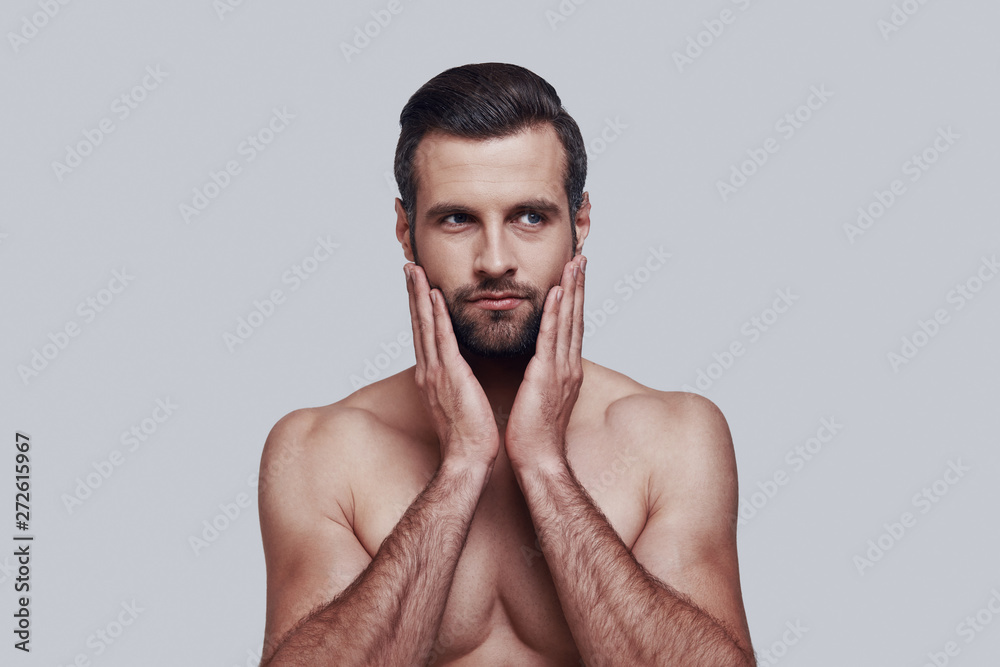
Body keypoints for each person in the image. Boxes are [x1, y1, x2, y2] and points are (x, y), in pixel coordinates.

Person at [257, 62, 755, 666]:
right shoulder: (320, 449)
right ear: (405, 231)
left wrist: (544, 465)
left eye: (529, 217)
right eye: (457, 218)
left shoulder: (673, 438)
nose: (495, 260)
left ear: (581, 222)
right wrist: (462, 466)